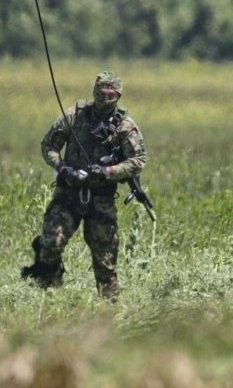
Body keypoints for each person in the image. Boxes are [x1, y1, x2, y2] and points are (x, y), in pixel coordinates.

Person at [22, 70, 147, 300]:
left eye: (110, 93)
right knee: (51, 244)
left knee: (105, 261)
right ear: (94, 92)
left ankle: (110, 310)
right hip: (68, 193)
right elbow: (48, 146)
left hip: (101, 197)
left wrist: (108, 171)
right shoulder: (74, 115)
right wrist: (63, 168)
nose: (105, 97)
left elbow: (138, 160)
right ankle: (45, 296)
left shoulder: (125, 126)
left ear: (118, 95)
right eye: (101, 92)